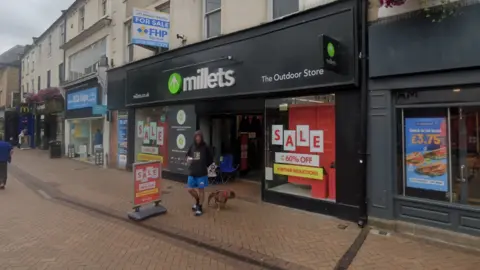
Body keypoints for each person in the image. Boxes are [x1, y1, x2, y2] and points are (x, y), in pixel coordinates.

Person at [186, 130, 213, 216]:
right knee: (189, 189)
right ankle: (197, 201)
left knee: (201, 190)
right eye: (196, 137)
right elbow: (187, 155)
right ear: (194, 138)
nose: (198, 138)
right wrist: (188, 159)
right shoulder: (192, 146)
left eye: (199, 137)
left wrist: (205, 165)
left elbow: (210, 158)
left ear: (201, 138)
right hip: (192, 172)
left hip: (201, 173)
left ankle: (200, 207)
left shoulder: (205, 147)